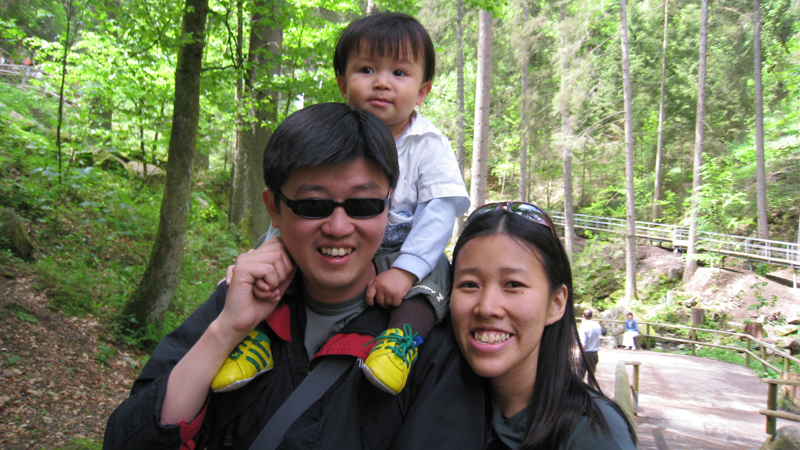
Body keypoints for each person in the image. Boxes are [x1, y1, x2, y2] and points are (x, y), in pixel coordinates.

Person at [103, 103, 485, 450]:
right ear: (274, 208)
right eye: (313, 205)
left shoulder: (424, 342)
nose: (338, 227)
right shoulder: (236, 305)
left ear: (391, 208)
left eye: (364, 205)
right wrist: (227, 331)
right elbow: (129, 440)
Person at [213, 12, 469, 396]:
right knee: (285, 264)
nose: (382, 82)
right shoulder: (329, 140)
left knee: (434, 278)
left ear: (422, 91)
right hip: (335, 246)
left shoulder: (429, 145)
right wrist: (261, 256)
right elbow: (295, 208)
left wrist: (405, 270)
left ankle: (399, 344)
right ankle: (258, 339)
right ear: (342, 83)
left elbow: (438, 215)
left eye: (399, 73)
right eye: (367, 69)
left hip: (404, 248)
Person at [449, 202, 637, 449]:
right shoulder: (439, 407)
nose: (486, 307)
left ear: (556, 303)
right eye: (470, 284)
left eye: (513, 284)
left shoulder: (593, 434)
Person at [578, 309, 603, 381]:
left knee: (580, 377)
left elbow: (583, 344)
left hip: (586, 353)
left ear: (583, 316)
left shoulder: (583, 327)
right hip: (594, 353)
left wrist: (578, 356)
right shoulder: (597, 325)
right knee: (591, 377)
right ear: (592, 316)